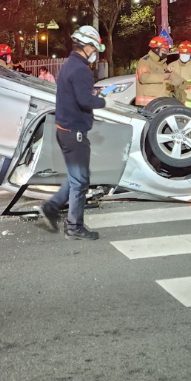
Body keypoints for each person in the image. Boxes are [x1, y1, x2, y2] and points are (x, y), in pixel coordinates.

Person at [37, 25, 112, 241]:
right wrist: (104, 100)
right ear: (87, 46)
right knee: (80, 181)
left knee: (75, 177)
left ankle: (51, 208)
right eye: (94, 47)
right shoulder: (81, 69)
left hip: (64, 130)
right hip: (74, 131)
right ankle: (74, 226)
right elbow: (85, 100)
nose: (95, 52)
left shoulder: (69, 64)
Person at [135, 36, 177, 106]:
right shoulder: (145, 61)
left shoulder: (163, 62)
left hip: (160, 102)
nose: (165, 53)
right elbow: (143, 78)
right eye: (163, 50)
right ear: (156, 49)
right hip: (147, 104)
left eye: (166, 51)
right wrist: (163, 76)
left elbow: (166, 79)